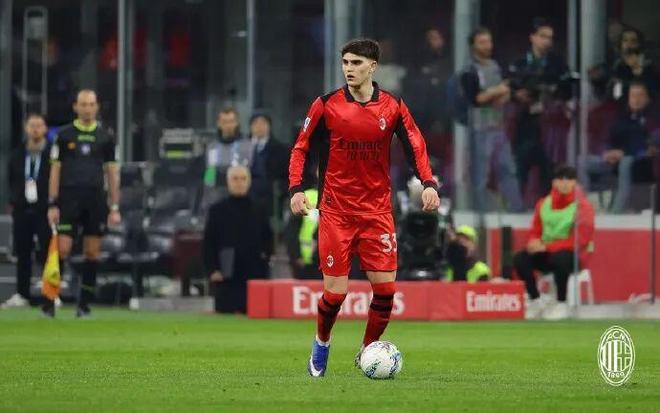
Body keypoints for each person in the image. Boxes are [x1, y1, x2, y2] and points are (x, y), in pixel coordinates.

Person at [289, 38, 440, 377]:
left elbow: (415, 143)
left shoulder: (392, 106)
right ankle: (322, 343)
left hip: (377, 212)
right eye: (345, 62)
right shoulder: (326, 105)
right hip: (337, 211)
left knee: (385, 292)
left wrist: (429, 182)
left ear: (373, 66)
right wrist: (296, 188)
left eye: (356, 63)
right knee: (336, 294)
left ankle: (367, 351)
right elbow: (301, 148)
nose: (349, 69)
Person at [47, 89, 121, 318]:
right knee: (62, 249)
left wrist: (114, 206)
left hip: (95, 199)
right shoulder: (64, 135)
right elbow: (55, 170)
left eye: (91, 104)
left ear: (96, 107)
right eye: (83, 104)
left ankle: (84, 305)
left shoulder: (106, 137)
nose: (87, 109)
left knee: (92, 252)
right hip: (69, 198)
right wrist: (52, 203)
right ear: (75, 107)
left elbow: (112, 173)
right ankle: (50, 301)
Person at [513, 165, 594, 320]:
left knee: (561, 258)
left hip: (575, 256)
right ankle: (535, 300)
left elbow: (580, 240)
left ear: (574, 183)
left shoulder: (583, 207)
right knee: (520, 258)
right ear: (554, 183)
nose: (564, 183)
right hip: (547, 253)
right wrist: (533, 242)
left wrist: (547, 246)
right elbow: (535, 229)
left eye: (569, 179)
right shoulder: (543, 203)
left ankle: (561, 303)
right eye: (560, 179)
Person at [461, 27, 523, 212]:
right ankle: (477, 211)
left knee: (507, 169)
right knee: (481, 174)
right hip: (479, 129)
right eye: (482, 42)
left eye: (489, 41)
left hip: (499, 127)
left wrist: (502, 94)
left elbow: (506, 92)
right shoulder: (469, 70)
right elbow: (475, 99)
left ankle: (515, 209)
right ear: (473, 46)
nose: (487, 46)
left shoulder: (496, 66)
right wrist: (497, 91)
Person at [509, 18, 571, 202]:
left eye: (550, 38)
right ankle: (517, 207)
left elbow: (566, 90)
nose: (547, 41)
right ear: (533, 37)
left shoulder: (558, 64)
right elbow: (509, 89)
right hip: (523, 125)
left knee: (549, 169)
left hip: (550, 127)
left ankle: (549, 207)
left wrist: (552, 94)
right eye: (543, 36)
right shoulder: (519, 63)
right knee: (521, 167)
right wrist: (519, 95)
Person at [203, 165, 273, 313]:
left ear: (249, 182)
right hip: (226, 275)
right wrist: (213, 269)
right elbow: (208, 243)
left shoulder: (260, 209)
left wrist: (265, 260)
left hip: (254, 273)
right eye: (235, 179)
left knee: (255, 313)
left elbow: (268, 238)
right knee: (226, 314)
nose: (239, 183)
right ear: (228, 182)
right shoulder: (217, 211)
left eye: (243, 179)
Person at [580, 82, 659, 212]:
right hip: (615, 158)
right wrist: (606, 152)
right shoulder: (621, 117)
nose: (636, 100)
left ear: (647, 99)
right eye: (633, 96)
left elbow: (651, 146)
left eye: (640, 95)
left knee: (626, 163)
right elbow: (608, 138)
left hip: (641, 161)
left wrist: (625, 153)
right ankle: (584, 206)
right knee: (583, 162)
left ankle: (617, 211)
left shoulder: (653, 119)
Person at [2, 114, 52, 310]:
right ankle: (22, 293)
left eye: (39, 125)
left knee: (48, 251)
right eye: (32, 125)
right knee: (23, 252)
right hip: (22, 208)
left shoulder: (52, 154)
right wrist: (14, 200)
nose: (35, 129)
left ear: (45, 129)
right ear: (26, 128)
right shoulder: (17, 154)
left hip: (45, 208)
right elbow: (11, 179)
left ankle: (50, 293)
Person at [248, 113, 289, 219]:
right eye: (256, 123)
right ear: (250, 127)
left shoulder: (281, 150)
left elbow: (287, 176)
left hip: (271, 199)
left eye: (263, 123)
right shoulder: (241, 147)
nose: (259, 127)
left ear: (269, 126)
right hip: (246, 197)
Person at [203, 107, 251, 191]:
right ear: (218, 123)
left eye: (231, 121)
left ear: (237, 123)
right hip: (216, 192)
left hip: (240, 192)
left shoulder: (247, 145)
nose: (228, 125)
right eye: (224, 122)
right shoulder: (212, 147)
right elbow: (209, 175)